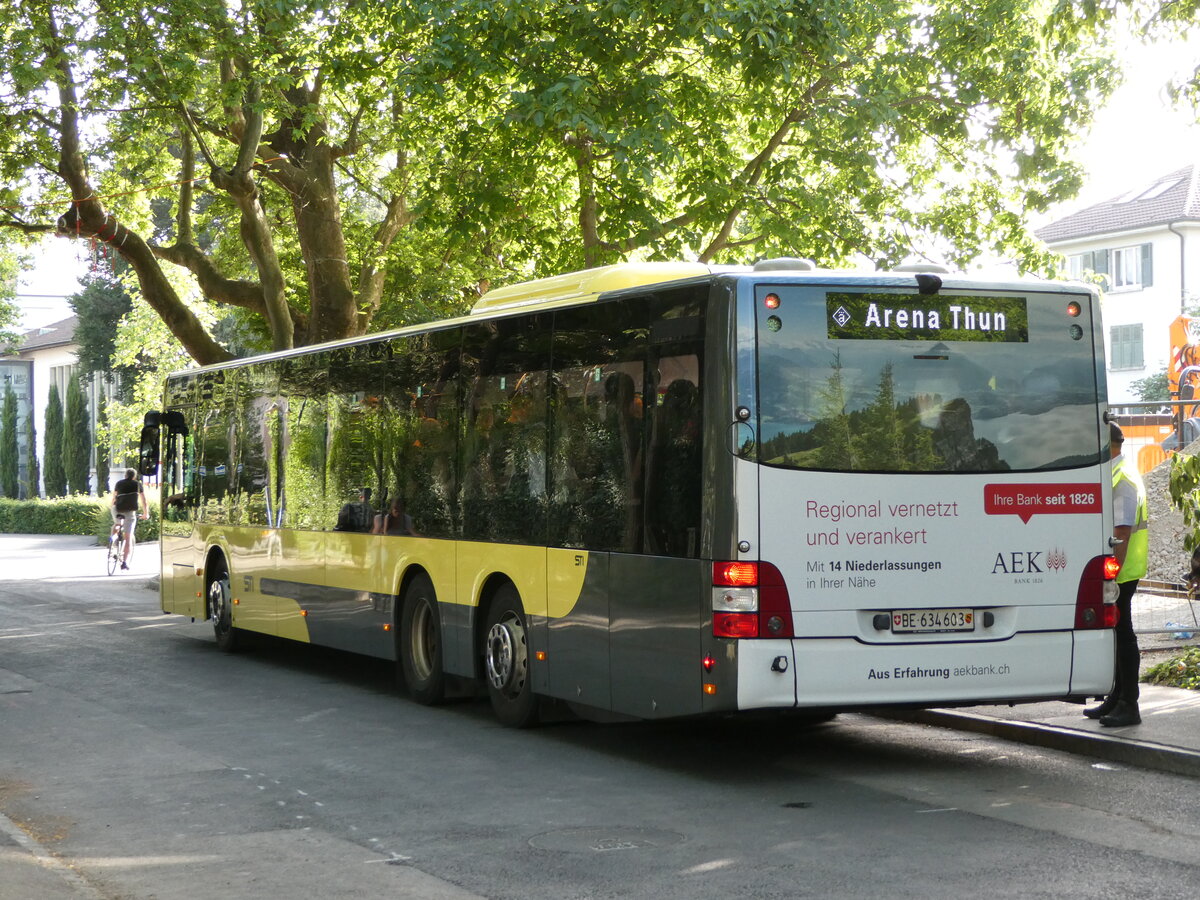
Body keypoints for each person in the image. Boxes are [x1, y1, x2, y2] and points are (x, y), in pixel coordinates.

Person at [1084, 421, 1148, 727]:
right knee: (1117, 634)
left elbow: (1121, 532)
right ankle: (1117, 697)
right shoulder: (1116, 472)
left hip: (1122, 571)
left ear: (1105, 444)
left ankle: (1129, 704)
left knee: (1123, 634)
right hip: (1120, 569)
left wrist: (1111, 575)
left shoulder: (1122, 477)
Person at [109, 468, 149, 570]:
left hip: (117, 509)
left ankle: (112, 544)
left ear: (125, 475)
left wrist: (111, 507)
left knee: (117, 524)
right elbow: (144, 501)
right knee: (128, 537)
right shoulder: (137, 484)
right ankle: (125, 562)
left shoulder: (119, 483)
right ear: (134, 476)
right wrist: (146, 514)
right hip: (130, 511)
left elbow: (114, 498)